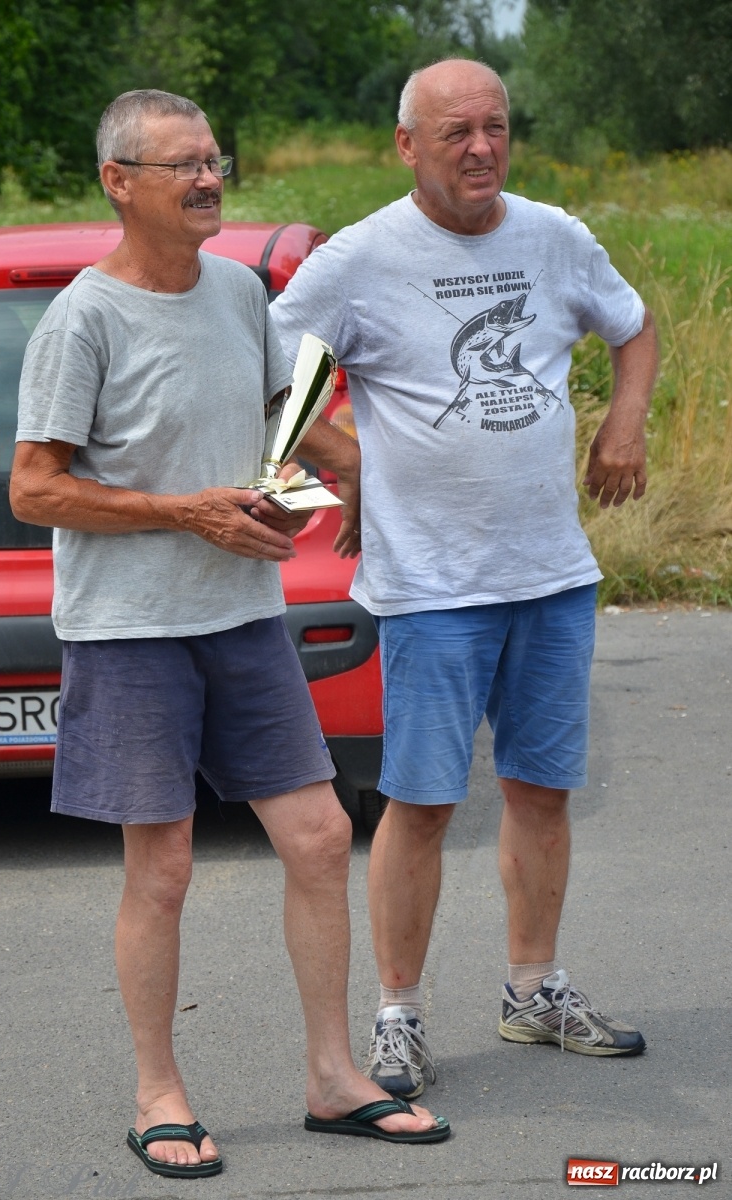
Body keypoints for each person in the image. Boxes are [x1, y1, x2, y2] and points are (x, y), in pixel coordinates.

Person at [9, 88, 450, 1179]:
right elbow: (33, 490)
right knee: (161, 871)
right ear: (121, 182)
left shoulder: (240, 290)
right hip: (130, 631)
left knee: (319, 838)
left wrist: (357, 481)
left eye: (216, 160)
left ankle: (333, 1078)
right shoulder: (85, 318)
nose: (210, 180)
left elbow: (282, 415)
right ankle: (160, 1094)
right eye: (183, 166)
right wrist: (182, 511)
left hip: (245, 617)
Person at [273, 58, 657, 1100]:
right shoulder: (360, 259)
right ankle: (397, 1015)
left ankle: (533, 992)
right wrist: (340, 458)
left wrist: (625, 423)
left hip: (550, 573)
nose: (481, 148)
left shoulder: (554, 235)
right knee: (423, 801)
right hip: (432, 586)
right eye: (456, 133)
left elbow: (631, 328)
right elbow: (266, 367)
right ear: (408, 145)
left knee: (541, 789)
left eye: (495, 127)